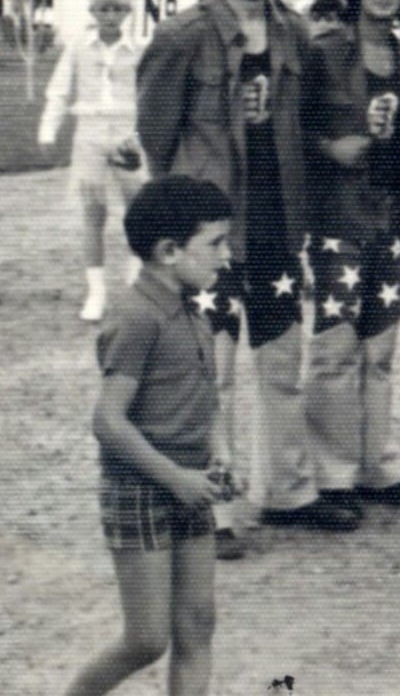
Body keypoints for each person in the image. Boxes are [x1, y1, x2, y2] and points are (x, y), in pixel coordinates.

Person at [137, 0, 356, 557]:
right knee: (213, 371)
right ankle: (211, 510)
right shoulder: (183, 36)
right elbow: (155, 133)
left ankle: (287, 490)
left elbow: (307, 120)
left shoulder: (295, 33)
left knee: (282, 360)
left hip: (277, 224)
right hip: (210, 231)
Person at [63, 175, 232, 696]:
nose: (226, 258)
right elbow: (108, 421)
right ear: (168, 251)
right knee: (146, 638)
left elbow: (208, 395)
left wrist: (220, 452)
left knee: (197, 624)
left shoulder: (191, 310)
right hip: (141, 488)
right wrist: (176, 478)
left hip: (189, 483)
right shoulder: (136, 317)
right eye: (215, 244)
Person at [301, 0, 400, 515]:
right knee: (336, 346)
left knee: (379, 347)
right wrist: (330, 147)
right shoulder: (326, 52)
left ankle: (376, 465)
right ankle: (331, 475)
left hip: (391, 214)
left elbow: (395, 121)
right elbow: (295, 127)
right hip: (339, 216)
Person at [39, 0, 147, 321]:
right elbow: (59, 88)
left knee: (138, 208)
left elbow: (151, 94)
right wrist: (48, 129)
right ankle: (96, 292)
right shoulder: (79, 46)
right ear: (92, 11)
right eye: (103, 9)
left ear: (127, 12)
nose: (110, 16)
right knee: (93, 212)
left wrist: (144, 134)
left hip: (128, 132)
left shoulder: (140, 47)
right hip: (90, 133)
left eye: (117, 9)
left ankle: (137, 274)